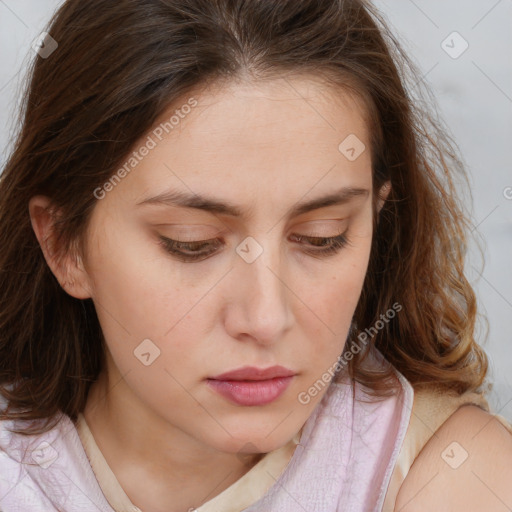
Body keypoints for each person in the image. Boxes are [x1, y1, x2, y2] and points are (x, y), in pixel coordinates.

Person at [0, 0, 511, 511]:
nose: (266, 319)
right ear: (64, 245)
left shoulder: (450, 475)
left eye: (322, 237)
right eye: (191, 243)